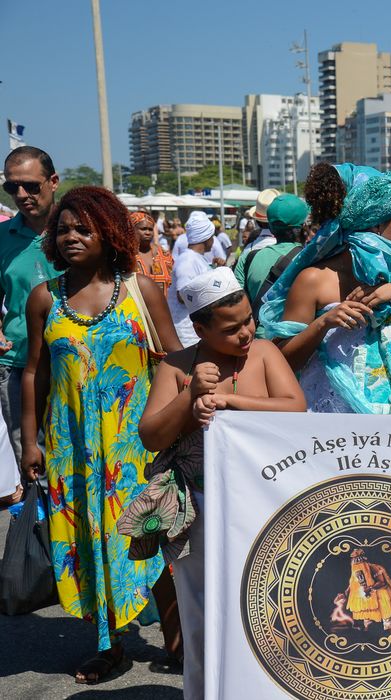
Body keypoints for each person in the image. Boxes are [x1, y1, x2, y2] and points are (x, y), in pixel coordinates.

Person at [20, 186, 184, 684]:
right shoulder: (46, 298)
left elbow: (174, 362)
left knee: (151, 539)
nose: (70, 237)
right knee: (90, 542)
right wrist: (30, 441)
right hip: (72, 447)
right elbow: (34, 374)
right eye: (63, 229)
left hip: (136, 445)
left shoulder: (140, 291)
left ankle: (180, 643)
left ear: (108, 232)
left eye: (82, 228)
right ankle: (108, 646)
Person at [129, 267, 304, 698]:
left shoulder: (263, 353)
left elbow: (295, 408)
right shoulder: (175, 366)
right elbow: (151, 435)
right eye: (231, 328)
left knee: (270, 606)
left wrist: (228, 400)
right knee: (201, 608)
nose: (246, 332)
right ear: (200, 329)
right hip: (199, 506)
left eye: (249, 320)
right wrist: (190, 398)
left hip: (263, 501)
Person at [263, 168, 391, 414]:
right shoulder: (313, 280)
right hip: (332, 425)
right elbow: (283, 362)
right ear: (374, 225)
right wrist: (324, 323)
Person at [0, 146, 58, 504]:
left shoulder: (80, 229)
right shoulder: (3, 238)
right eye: (12, 188)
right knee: (33, 464)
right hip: (20, 367)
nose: (22, 195)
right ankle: (40, 555)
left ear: (53, 181)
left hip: (78, 363)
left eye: (31, 186)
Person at [234, 194, 307, 308]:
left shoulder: (247, 257)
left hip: (257, 324)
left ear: (271, 227)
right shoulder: (311, 259)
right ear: (303, 226)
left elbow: (238, 301)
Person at [169, 212, 216, 347]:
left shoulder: (196, 258)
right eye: (212, 237)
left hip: (195, 330)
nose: (213, 241)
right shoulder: (187, 260)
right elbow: (182, 295)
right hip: (187, 333)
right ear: (207, 238)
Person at [132, 211, 174, 296]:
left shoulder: (163, 254)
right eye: (143, 229)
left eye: (150, 229)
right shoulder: (126, 255)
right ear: (132, 230)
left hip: (163, 306)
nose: (148, 233)